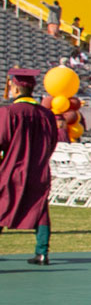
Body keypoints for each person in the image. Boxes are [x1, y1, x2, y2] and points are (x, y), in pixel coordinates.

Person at [0, 69, 57, 265]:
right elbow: (52, 142)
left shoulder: (8, 112)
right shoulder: (47, 115)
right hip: (39, 170)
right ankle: (42, 253)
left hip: (12, 169)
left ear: (15, 88)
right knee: (40, 209)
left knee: (1, 206)